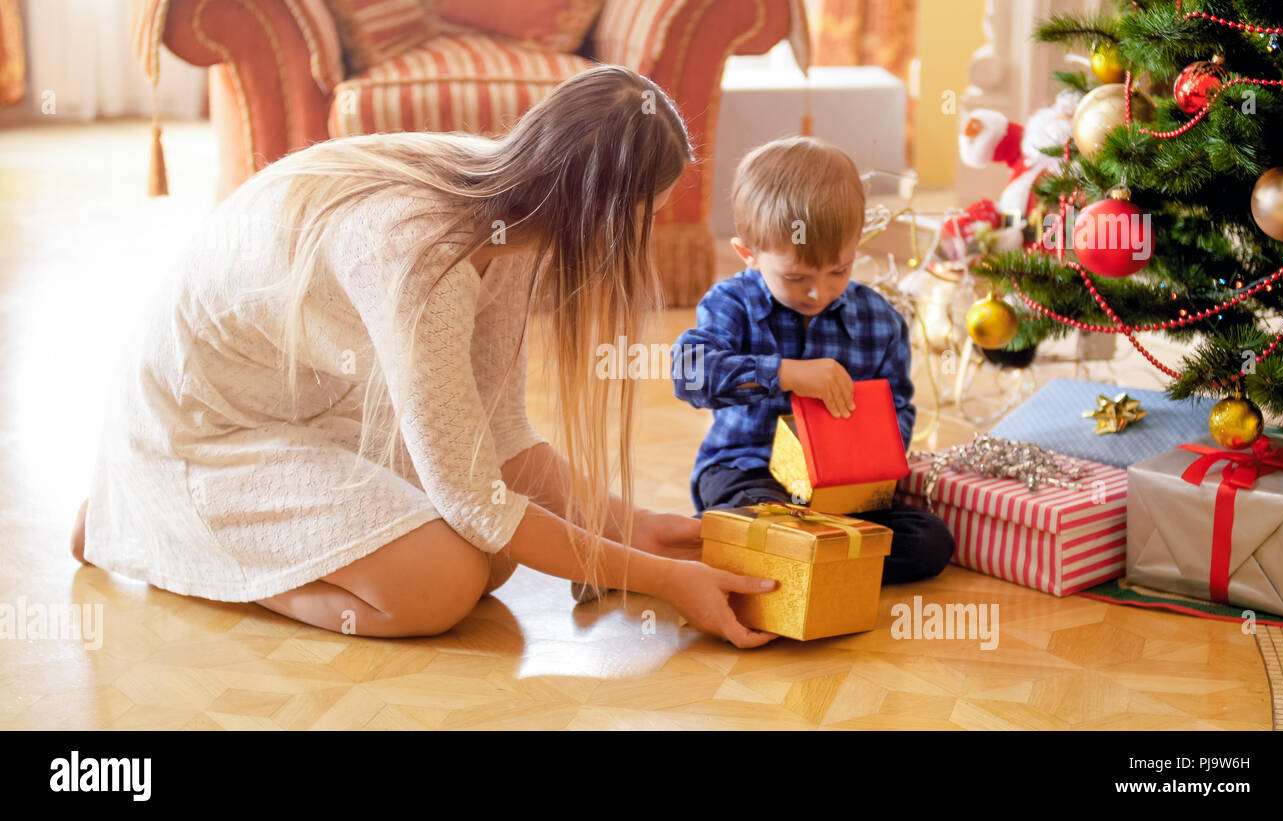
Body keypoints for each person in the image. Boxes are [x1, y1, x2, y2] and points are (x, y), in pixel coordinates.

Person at [71, 65, 780, 648]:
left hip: (303, 399)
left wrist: (631, 524)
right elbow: (474, 498)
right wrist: (661, 578)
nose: (653, 231)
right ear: (598, 207)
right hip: (205, 427)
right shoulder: (421, 255)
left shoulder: (514, 217)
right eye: (648, 214)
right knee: (438, 584)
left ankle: (157, 522)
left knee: (493, 555)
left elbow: (500, 442)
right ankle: (167, 537)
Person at [673, 136, 954, 584]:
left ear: (857, 245)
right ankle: (697, 546)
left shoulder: (881, 321)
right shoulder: (732, 303)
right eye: (796, 277)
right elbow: (690, 374)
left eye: (838, 271)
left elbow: (898, 411)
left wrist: (867, 464)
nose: (817, 293)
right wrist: (783, 373)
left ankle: (791, 560)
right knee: (771, 522)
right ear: (749, 254)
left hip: (840, 492)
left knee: (929, 541)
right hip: (746, 472)